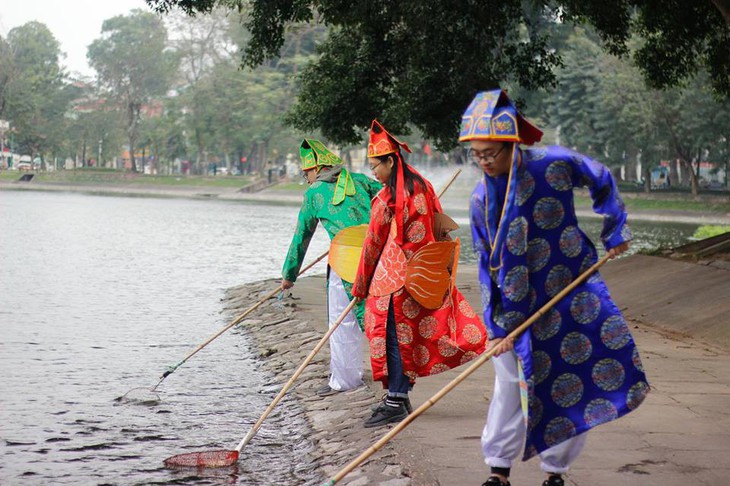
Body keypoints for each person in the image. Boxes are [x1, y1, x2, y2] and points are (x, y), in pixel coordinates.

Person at [461, 89, 650, 486]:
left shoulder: (554, 164)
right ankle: (498, 470)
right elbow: (484, 266)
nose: (483, 161)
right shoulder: (481, 200)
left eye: (490, 153)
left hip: (568, 293)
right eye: (476, 154)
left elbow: (600, 177)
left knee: (568, 382)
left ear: (511, 144)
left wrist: (615, 227)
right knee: (508, 389)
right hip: (512, 309)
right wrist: (496, 328)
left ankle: (556, 472)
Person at [352, 120, 487, 428]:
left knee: (391, 338)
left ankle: (396, 400)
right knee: (407, 338)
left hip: (394, 282)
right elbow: (439, 224)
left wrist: (360, 285)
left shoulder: (388, 198)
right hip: (422, 274)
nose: (374, 172)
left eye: (376, 166)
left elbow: (372, 244)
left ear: (391, 160)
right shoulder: (422, 185)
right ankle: (399, 395)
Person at [281, 139, 382, 397]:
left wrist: (288, 276)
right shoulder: (361, 180)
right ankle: (396, 383)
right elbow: (385, 203)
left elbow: (301, 236)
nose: (305, 177)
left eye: (307, 172)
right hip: (379, 257)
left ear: (319, 168)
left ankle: (345, 381)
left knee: (343, 321)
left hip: (345, 263)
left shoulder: (314, 194)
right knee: (377, 317)